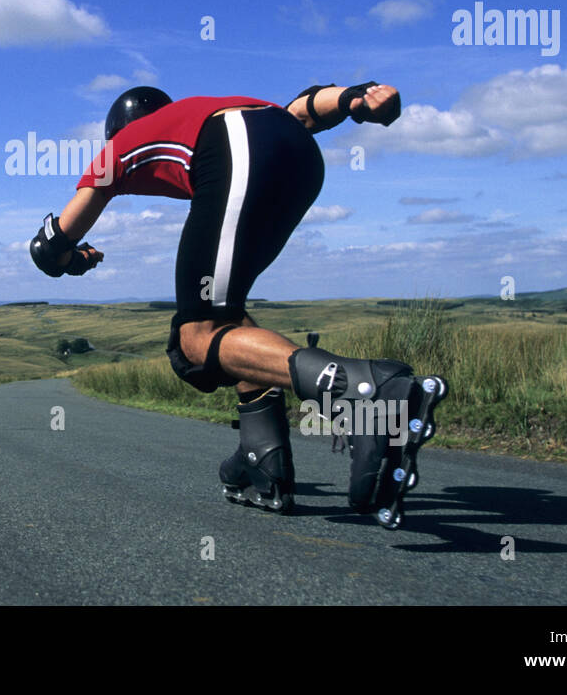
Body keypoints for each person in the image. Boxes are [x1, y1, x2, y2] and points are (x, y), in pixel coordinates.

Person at [28, 82, 448, 530]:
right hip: (297, 157)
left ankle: (364, 390)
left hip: (236, 151)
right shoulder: (203, 110)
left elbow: (48, 246)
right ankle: (261, 455)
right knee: (226, 317)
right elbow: (304, 111)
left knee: (196, 337)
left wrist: (73, 260)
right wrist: (357, 98)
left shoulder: (124, 145)